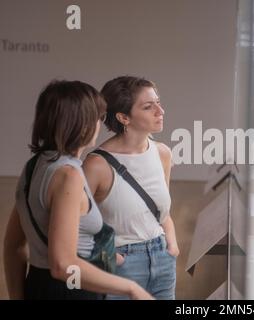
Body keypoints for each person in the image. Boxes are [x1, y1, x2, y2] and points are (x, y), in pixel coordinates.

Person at [3, 80, 152, 300]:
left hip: (38, 285)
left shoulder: (33, 166)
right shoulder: (68, 176)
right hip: (71, 289)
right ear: (81, 124)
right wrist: (132, 288)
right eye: (96, 118)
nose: (99, 125)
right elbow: (63, 265)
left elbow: (14, 246)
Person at [83, 76, 179, 300]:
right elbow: (75, 225)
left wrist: (172, 246)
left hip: (162, 256)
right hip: (122, 264)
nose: (160, 110)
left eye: (158, 102)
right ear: (123, 117)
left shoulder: (162, 153)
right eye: (148, 107)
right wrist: (110, 256)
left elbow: (162, 213)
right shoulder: (97, 164)